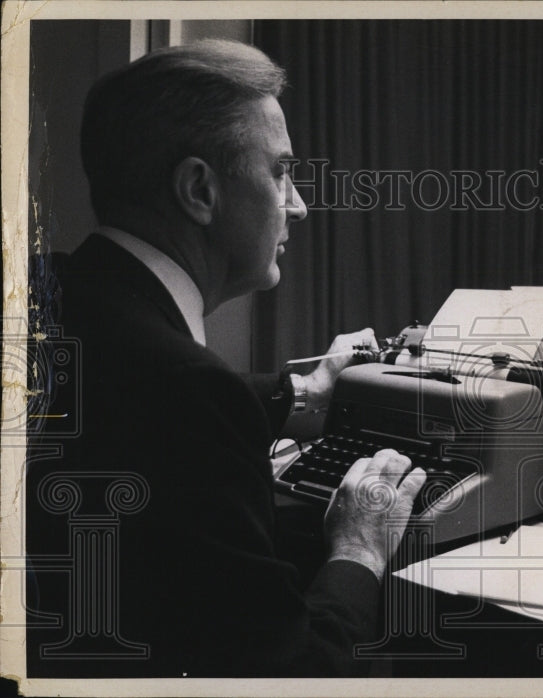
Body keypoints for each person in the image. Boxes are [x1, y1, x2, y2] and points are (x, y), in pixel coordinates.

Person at [26, 39, 425, 677]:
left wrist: (306, 393)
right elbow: (296, 673)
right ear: (199, 191)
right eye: (280, 172)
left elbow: (141, 395)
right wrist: (360, 548)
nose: (297, 204)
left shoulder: (53, 291)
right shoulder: (187, 391)